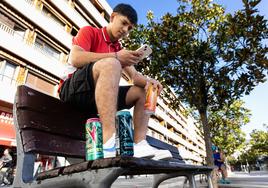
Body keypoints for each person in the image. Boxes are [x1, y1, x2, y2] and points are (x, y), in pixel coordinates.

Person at [59, 3, 172, 160]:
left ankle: (140, 144)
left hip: (97, 97)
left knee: (141, 91)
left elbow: (135, 77)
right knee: (112, 64)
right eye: (124, 23)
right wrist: (116, 57)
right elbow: (76, 58)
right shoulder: (90, 32)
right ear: (113, 17)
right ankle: (108, 142)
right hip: (73, 90)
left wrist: (151, 81)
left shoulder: (118, 48)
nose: (126, 30)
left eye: (130, 28)